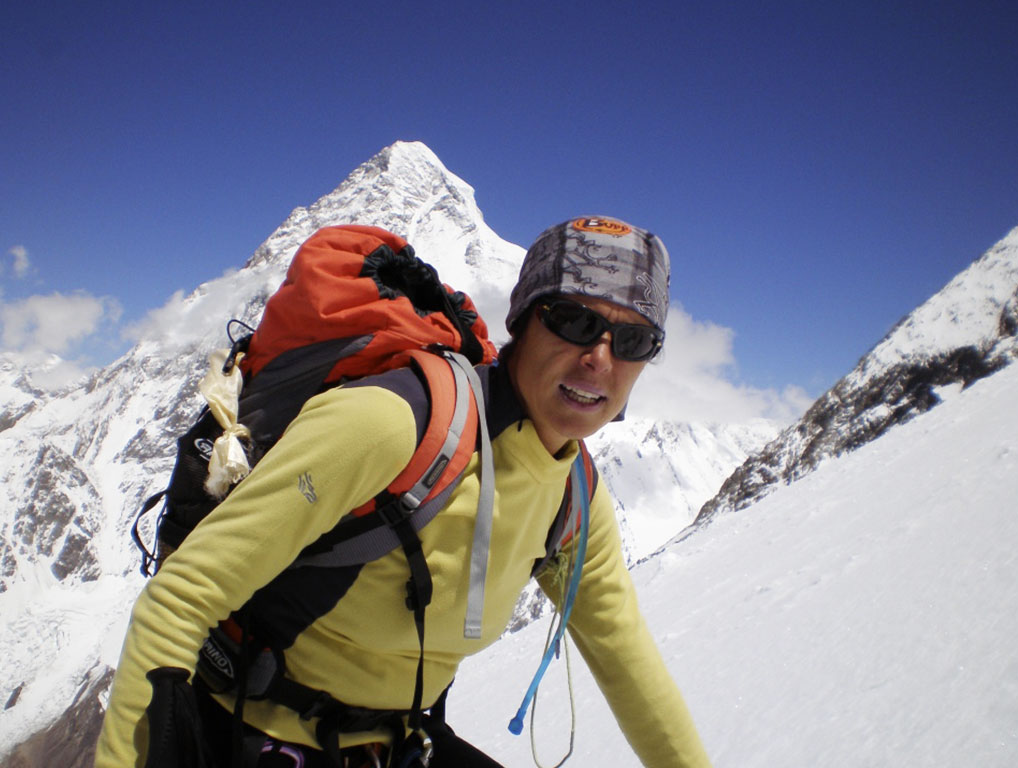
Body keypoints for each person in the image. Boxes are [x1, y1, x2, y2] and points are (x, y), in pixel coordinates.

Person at [95, 216, 712, 768]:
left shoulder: (573, 495)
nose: (599, 358)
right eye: (575, 321)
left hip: (397, 741)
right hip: (249, 734)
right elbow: (178, 601)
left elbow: (627, 663)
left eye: (633, 341)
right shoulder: (395, 424)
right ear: (522, 323)